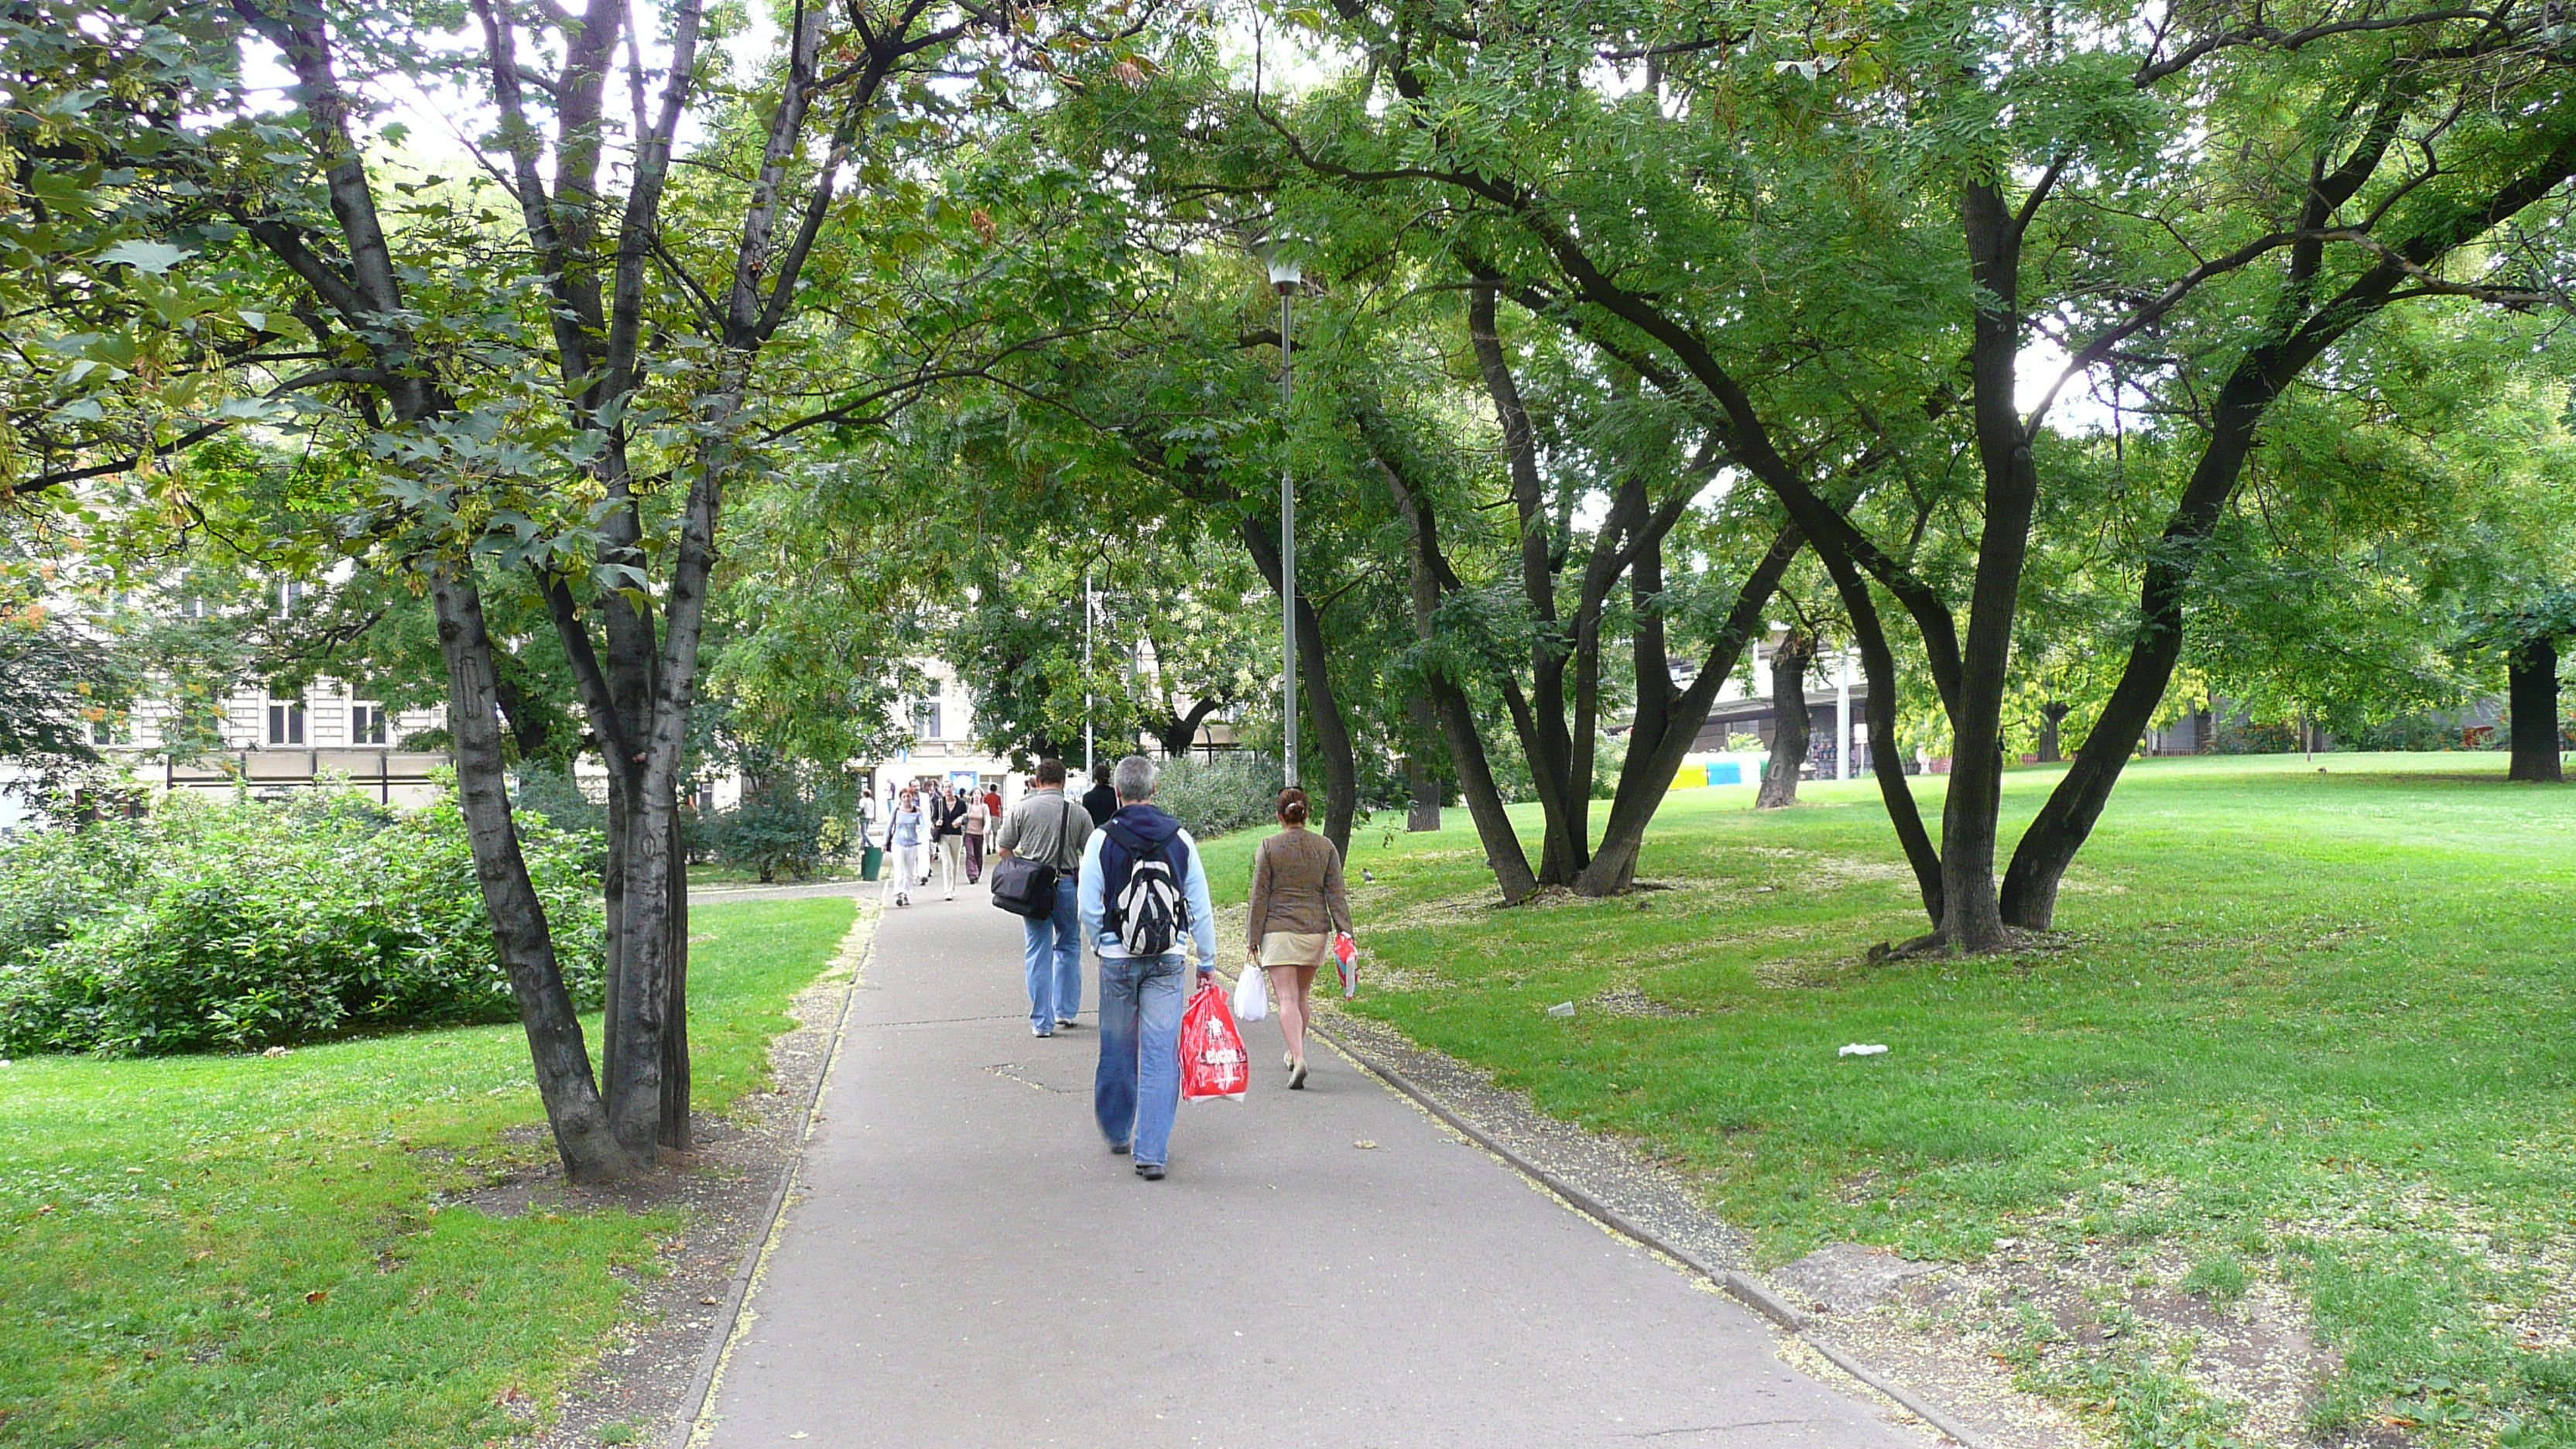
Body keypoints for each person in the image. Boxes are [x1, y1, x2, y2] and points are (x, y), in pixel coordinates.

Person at [1077, 755, 1217, 1181]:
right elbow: (1200, 906)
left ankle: (1119, 1130)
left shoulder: (1103, 840)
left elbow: (1088, 905)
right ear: (1154, 790)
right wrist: (1206, 959)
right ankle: (1152, 1152)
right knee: (1160, 1055)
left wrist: (1101, 943)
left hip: (1118, 958)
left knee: (1118, 1047)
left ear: (1118, 792)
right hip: (1167, 959)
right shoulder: (1180, 839)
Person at [1245, 786, 1351, 1090]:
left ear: (1279, 816)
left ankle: (1299, 1056)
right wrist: (1346, 931)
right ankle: (1294, 1053)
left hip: (1277, 931)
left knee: (1286, 999)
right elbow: (1336, 894)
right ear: (1307, 814)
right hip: (1314, 931)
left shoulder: (1268, 847)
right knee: (1302, 996)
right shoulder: (1326, 847)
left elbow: (1259, 896)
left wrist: (1253, 936)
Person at [993, 759, 1091, 1038]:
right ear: (1063, 781)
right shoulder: (1078, 813)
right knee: (1069, 945)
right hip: (1067, 886)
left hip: (1033, 889)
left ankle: (1041, 1021)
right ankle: (1066, 1010)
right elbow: (1091, 851)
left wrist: (1021, 868)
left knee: (1037, 950)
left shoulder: (1022, 809)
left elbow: (1003, 848)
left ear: (1037, 782)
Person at [880, 788, 926, 908]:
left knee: (910, 872)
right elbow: (888, 827)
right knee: (899, 870)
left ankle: (906, 892)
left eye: (908, 796)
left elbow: (924, 827)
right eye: (904, 797)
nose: (906, 799)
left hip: (912, 844)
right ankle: (899, 893)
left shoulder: (918, 811)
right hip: (898, 843)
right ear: (901, 798)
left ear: (912, 797)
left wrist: (925, 840)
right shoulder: (896, 811)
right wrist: (884, 843)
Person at [930, 785, 965, 899]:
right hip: (943, 835)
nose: (948, 790)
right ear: (943, 790)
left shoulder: (961, 803)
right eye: (946, 787)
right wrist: (937, 822)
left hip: (956, 835)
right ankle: (947, 891)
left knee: (955, 863)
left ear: (953, 789)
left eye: (950, 787)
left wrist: (960, 821)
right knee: (946, 863)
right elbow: (933, 817)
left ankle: (953, 887)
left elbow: (965, 817)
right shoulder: (939, 803)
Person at [961, 785, 990, 885]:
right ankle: (971, 874)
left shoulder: (984, 807)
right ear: (972, 795)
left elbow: (987, 818)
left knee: (978, 855)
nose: (977, 796)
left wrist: (986, 827)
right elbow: (963, 817)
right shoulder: (968, 807)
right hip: (969, 833)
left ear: (981, 796)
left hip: (979, 834)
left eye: (979, 794)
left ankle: (977, 873)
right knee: (970, 854)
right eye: (975, 793)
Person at [1081, 762, 1118, 827]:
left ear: (1095, 778)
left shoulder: (1087, 797)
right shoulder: (1116, 795)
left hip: (1095, 832)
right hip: (1113, 831)